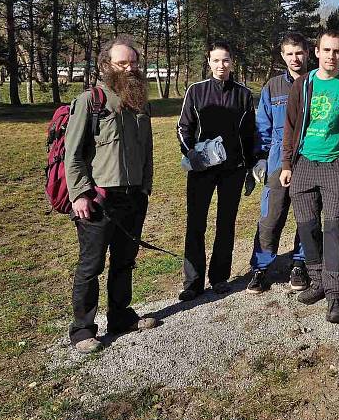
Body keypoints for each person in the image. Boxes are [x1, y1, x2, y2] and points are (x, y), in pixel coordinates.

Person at [64, 35, 158, 353]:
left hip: (133, 197)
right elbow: (73, 154)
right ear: (107, 66)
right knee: (91, 265)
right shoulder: (90, 101)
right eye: (123, 63)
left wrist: (145, 187)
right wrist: (79, 194)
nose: (130, 68)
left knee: (124, 262)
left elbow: (147, 149)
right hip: (98, 199)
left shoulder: (141, 102)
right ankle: (82, 330)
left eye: (134, 63)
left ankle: (121, 317)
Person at [280, 29, 339, 324]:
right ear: (316, 52)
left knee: (333, 229)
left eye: (337, 51)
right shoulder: (303, 85)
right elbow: (291, 125)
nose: (332, 56)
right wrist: (286, 164)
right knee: (307, 228)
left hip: (336, 166)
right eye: (327, 50)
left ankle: (335, 295)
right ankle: (317, 280)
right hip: (304, 164)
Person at [177, 40, 256, 301]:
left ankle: (220, 277)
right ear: (208, 62)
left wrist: (252, 166)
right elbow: (183, 127)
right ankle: (193, 282)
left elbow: (249, 134)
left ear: (232, 62)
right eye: (216, 60)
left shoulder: (243, 94)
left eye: (226, 60)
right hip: (202, 169)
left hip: (232, 169)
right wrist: (190, 153)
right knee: (196, 224)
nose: (221, 65)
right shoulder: (196, 91)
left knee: (226, 224)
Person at [246, 33, 310, 294]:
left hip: (309, 162)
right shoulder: (272, 87)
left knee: (307, 218)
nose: (295, 58)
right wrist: (259, 159)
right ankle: (260, 268)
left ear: (308, 53)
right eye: (289, 53)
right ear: (283, 56)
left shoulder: (318, 83)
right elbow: (263, 126)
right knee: (270, 218)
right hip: (276, 164)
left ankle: (300, 263)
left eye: (299, 52)